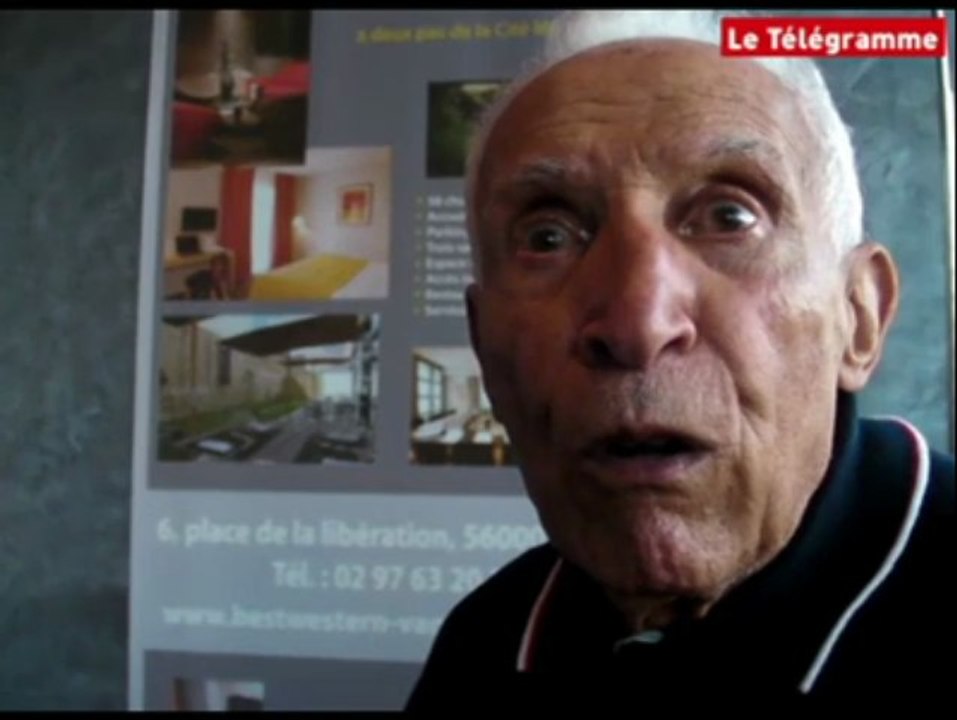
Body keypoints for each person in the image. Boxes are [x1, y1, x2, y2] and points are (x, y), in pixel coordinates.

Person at [406, 9, 955, 710]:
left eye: (729, 217)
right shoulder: (486, 641)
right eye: (547, 236)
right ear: (484, 344)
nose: (637, 324)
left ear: (859, 317)